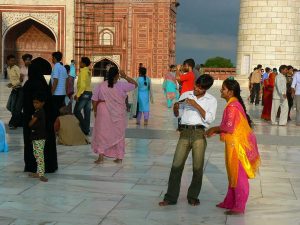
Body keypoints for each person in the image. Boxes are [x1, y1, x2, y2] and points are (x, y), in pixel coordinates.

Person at [159, 75, 217, 206]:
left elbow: (209, 119)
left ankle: (193, 196)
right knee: (176, 166)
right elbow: (178, 114)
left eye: (199, 88)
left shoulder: (211, 100)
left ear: (205, 89)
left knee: (197, 167)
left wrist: (196, 105)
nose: (195, 88)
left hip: (199, 133)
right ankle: (170, 197)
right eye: (195, 85)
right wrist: (175, 109)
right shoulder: (186, 94)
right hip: (184, 132)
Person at [206, 78, 260, 215]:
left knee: (238, 175)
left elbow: (228, 127)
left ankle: (239, 206)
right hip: (233, 144)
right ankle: (230, 201)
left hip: (237, 146)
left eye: (223, 89)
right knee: (232, 173)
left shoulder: (232, 106)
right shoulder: (234, 104)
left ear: (230, 92)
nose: (221, 90)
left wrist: (213, 129)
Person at [92, 67, 137, 164]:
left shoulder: (101, 85)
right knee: (119, 134)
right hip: (118, 112)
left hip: (103, 110)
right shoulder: (122, 85)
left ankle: (101, 157)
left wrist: (95, 111)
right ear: (117, 75)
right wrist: (125, 76)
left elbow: (94, 100)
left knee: (102, 133)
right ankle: (119, 157)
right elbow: (135, 84)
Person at [23, 60, 58, 173]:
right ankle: (48, 166)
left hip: (31, 120)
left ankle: (32, 166)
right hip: (45, 121)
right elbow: (50, 105)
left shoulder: (28, 84)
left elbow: (24, 104)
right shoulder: (43, 84)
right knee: (46, 144)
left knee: (32, 144)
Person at [28, 94, 48, 182]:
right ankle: (38, 172)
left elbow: (31, 123)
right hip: (36, 137)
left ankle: (41, 174)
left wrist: (30, 122)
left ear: (42, 103)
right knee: (37, 154)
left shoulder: (39, 112)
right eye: (34, 102)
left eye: (37, 103)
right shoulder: (38, 111)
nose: (35, 104)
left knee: (39, 156)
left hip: (39, 137)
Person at [74, 57, 92, 135]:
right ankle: (86, 130)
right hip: (89, 92)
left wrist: (78, 95)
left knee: (76, 111)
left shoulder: (83, 72)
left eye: (81, 62)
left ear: (84, 63)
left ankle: (84, 127)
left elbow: (82, 85)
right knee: (87, 112)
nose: (79, 63)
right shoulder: (88, 72)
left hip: (84, 93)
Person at [50, 51, 68, 119]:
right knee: (60, 112)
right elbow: (66, 81)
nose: (52, 59)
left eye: (52, 58)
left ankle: (55, 128)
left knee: (55, 112)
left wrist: (52, 92)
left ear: (54, 58)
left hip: (56, 93)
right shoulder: (63, 68)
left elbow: (56, 80)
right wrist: (65, 92)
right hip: (62, 93)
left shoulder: (56, 67)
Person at [6, 55, 23, 129]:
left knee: (16, 108)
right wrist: (11, 84)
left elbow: (21, 79)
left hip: (19, 89)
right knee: (9, 106)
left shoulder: (16, 68)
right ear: (8, 61)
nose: (13, 62)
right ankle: (22, 120)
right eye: (11, 60)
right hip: (14, 89)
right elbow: (13, 79)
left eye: (14, 60)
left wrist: (13, 84)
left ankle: (13, 123)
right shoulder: (8, 68)